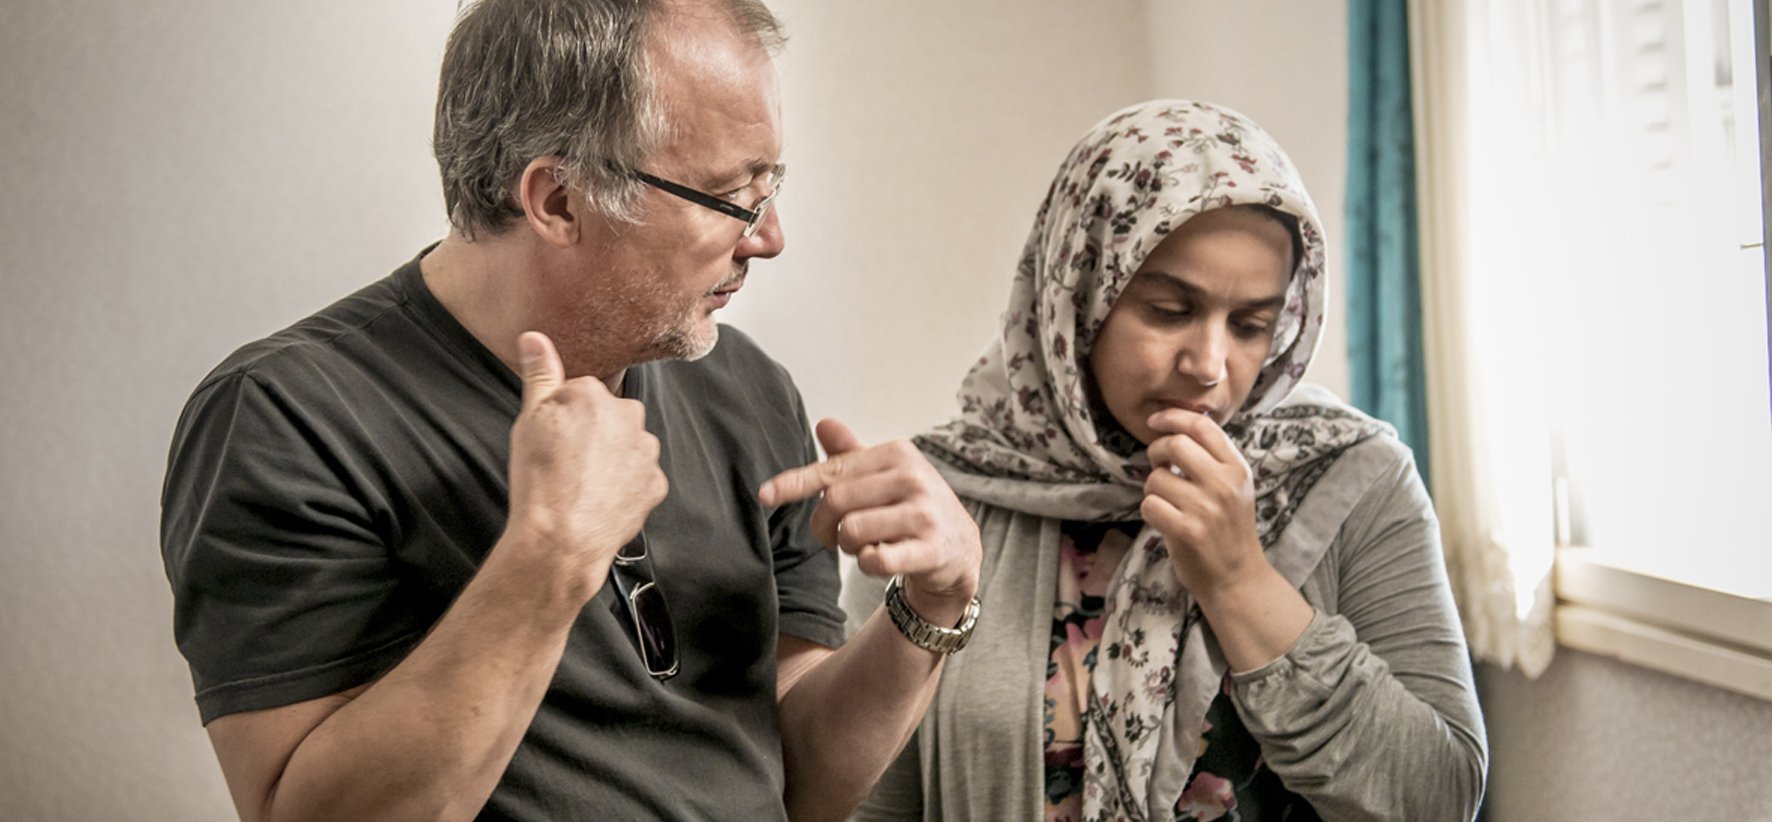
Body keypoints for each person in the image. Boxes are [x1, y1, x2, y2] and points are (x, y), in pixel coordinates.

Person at [158, 1, 982, 820]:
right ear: (556, 200)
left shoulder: (752, 389)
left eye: (772, 182)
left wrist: (928, 609)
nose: (769, 236)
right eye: (732, 195)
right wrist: (548, 557)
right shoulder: (286, 417)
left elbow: (793, 785)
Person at [844, 100, 1487, 822]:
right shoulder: (951, 496)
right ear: (1079, 298)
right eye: (1170, 311)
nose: (1210, 366)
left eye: (1252, 325)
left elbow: (1441, 795)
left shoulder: (1347, 479)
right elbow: (867, 802)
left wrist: (1240, 579)